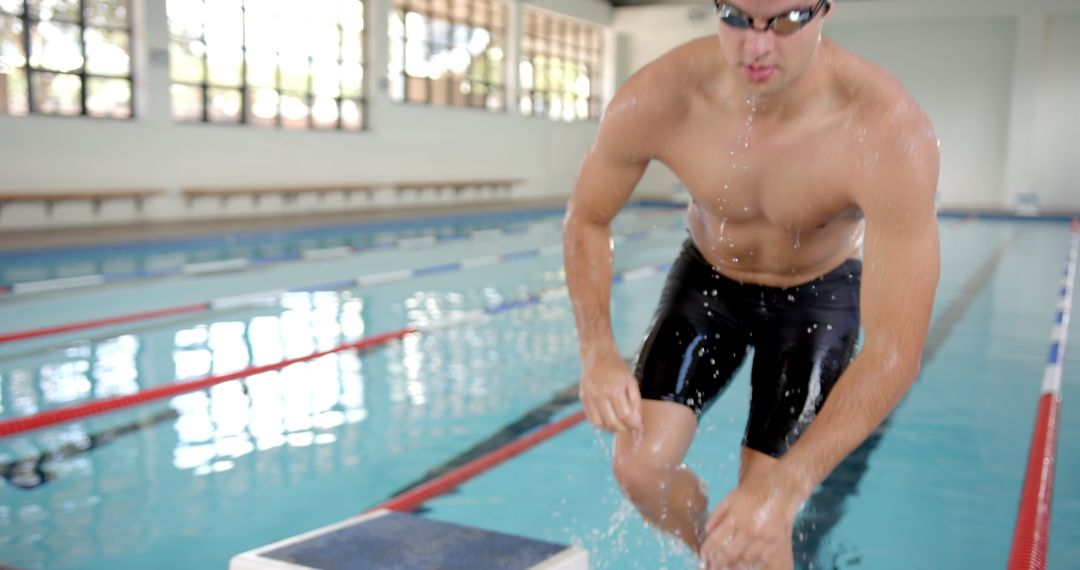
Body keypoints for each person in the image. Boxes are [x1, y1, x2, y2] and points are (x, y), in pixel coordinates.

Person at [562, 1, 941, 568]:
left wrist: (787, 487)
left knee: (763, 513)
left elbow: (895, 351)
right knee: (638, 466)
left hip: (817, 297)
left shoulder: (883, 128)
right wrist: (596, 349)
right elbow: (586, 219)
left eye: (786, 20)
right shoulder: (663, 95)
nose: (757, 47)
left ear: (823, 10)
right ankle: (713, 556)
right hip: (710, 282)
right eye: (737, 17)